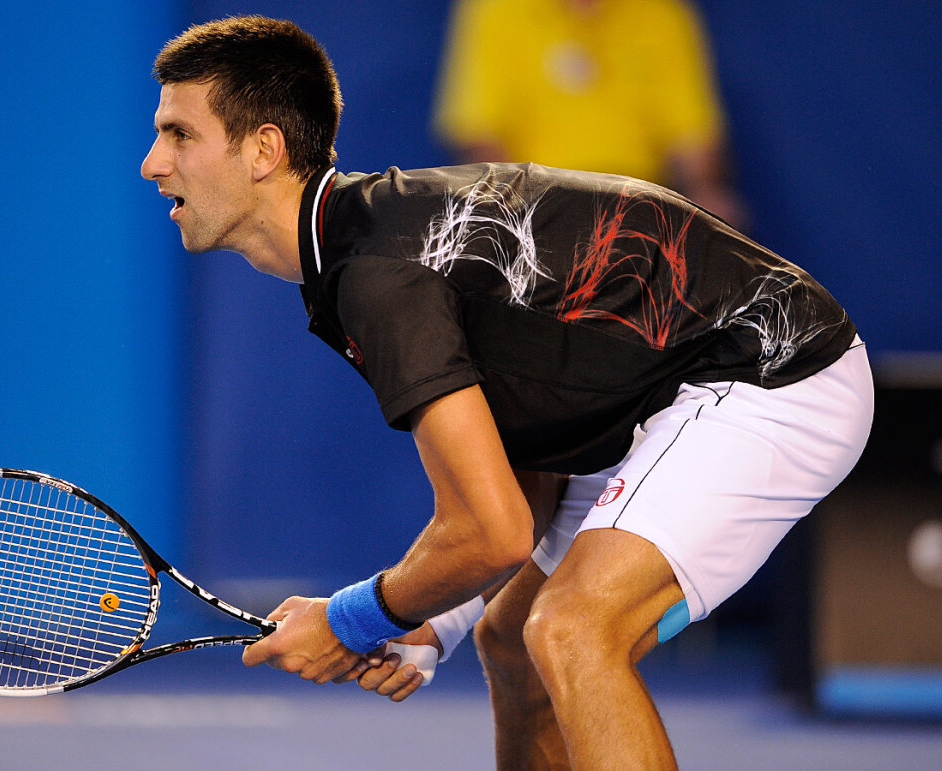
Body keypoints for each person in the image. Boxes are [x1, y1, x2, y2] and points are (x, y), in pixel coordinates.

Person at [140, 16, 872, 770]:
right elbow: (534, 441)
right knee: (511, 644)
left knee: (574, 629)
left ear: (264, 150)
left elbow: (492, 531)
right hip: (663, 390)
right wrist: (434, 623)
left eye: (179, 134)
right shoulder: (358, 248)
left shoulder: (378, 277)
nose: (151, 162)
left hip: (772, 369)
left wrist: (355, 618)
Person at [435, 0, 746, 227]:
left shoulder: (662, 13)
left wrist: (704, 195)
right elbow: (480, 135)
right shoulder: (495, 10)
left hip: (641, 203)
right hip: (539, 201)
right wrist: (522, 209)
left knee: (720, 218)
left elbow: (694, 137)